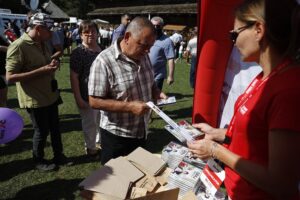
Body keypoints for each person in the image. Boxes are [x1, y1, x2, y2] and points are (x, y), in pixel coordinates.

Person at [188, 0, 300, 199]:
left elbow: (281, 182)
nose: (233, 42)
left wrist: (215, 150)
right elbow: (258, 135)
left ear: (258, 30)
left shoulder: (287, 89)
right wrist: (219, 133)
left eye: (234, 34)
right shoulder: (264, 77)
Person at [88, 16, 167, 165]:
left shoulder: (143, 55)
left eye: (150, 46)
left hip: (141, 131)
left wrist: (156, 91)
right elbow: (94, 101)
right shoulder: (104, 61)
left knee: (138, 178)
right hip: (116, 137)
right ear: (127, 37)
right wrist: (130, 107)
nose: (147, 51)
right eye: (144, 45)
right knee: (115, 183)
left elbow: (149, 82)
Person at [6, 13, 71, 172]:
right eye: (49, 30)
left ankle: (58, 155)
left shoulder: (42, 42)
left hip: (50, 93)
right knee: (41, 131)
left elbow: (43, 64)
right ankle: (38, 159)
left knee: (55, 128)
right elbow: (10, 77)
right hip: (34, 98)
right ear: (38, 28)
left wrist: (51, 63)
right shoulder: (19, 46)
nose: (52, 34)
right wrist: (42, 70)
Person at [70, 20, 101, 158]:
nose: (90, 34)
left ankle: (99, 143)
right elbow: (74, 77)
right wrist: (78, 98)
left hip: (103, 95)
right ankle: (90, 148)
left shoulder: (102, 50)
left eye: (93, 31)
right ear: (81, 35)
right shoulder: (78, 52)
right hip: (86, 95)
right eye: (86, 32)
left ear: (97, 33)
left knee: (101, 121)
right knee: (90, 123)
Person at [149, 16, 175, 90]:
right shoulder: (146, 37)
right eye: (153, 25)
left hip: (158, 75)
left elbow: (170, 59)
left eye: (157, 26)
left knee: (155, 98)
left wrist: (170, 76)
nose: (155, 27)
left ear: (162, 26)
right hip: (145, 74)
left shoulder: (167, 41)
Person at [0, 35, 9, 107]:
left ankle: (3, 115)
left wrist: (1, 48)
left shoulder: (0, 38)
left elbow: (10, 49)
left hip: (2, 71)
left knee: (3, 99)